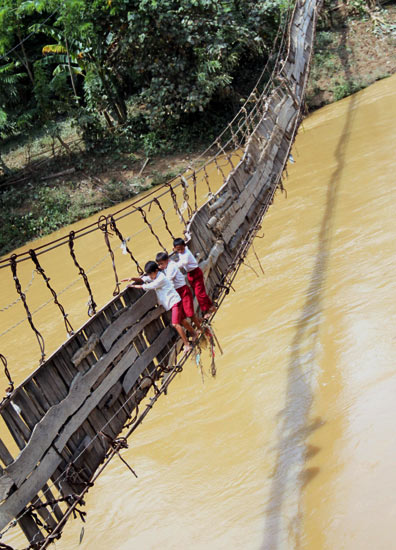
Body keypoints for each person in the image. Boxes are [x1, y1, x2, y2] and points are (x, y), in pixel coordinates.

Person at [121, 261, 196, 353]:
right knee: (182, 320)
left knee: (175, 324)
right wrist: (131, 278)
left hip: (174, 302)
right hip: (174, 302)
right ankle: (194, 333)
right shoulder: (156, 275)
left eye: (151, 274)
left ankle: (187, 345)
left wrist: (134, 286)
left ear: (156, 271)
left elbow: (149, 286)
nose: (150, 276)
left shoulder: (161, 278)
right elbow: (144, 279)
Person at [155, 251, 203, 332]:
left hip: (183, 291)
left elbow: (168, 280)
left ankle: (200, 328)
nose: (160, 266)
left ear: (167, 260)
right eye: (158, 264)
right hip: (177, 293)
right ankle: (198, 321)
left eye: (161, 264)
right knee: (183, 315)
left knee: (189, 313)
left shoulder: (171, 267)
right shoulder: (166, 267)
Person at [173, 238, 216, 320]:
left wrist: (172, 264)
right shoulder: (181, 252)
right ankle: (211, 306)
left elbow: (183, 263)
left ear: (184, 246)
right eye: (178, 249)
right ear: (175, 248)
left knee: (200, 293)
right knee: (199, 293)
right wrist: (176, 250)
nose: (180, 251)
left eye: (181, 249)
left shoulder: (186, 254)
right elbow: (179, 251)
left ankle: (207, 311)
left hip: (196, 273)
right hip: (190, 275)